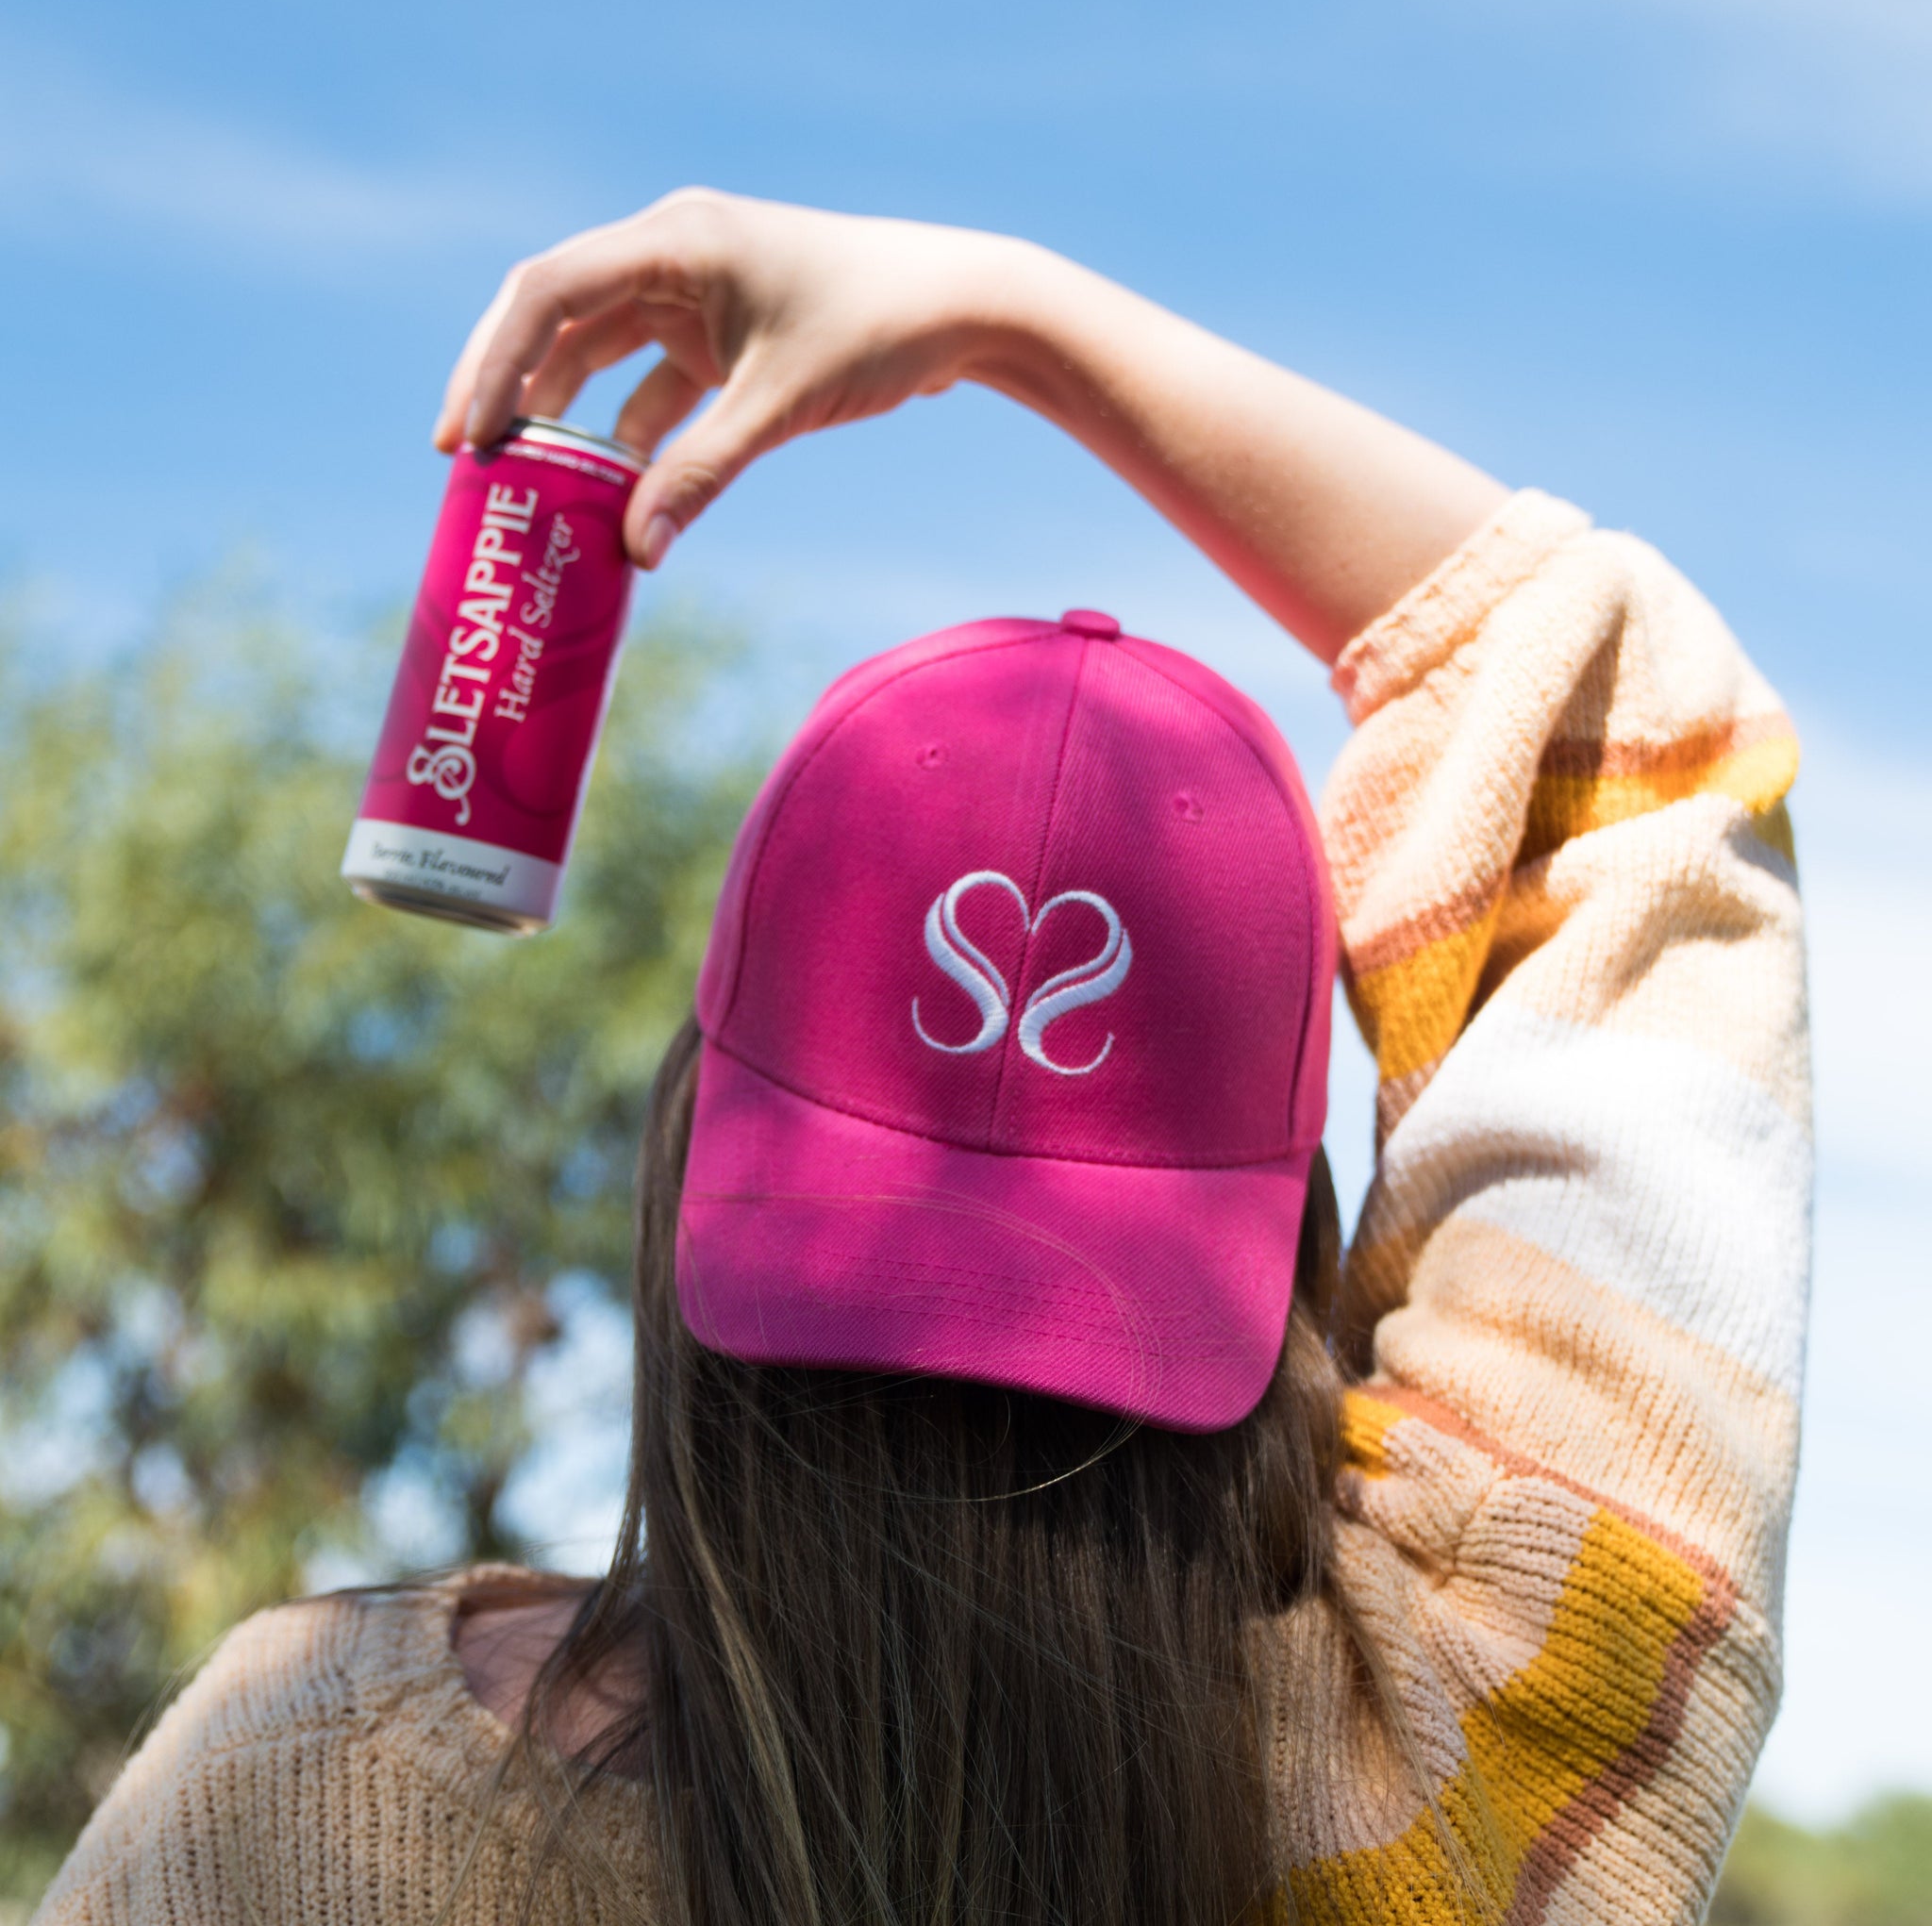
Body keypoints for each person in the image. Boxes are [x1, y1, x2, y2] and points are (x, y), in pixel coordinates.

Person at [35, 191, 1809, 1926]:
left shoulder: (294, 1785)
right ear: (1283, 1242)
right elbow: (1625, 753)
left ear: (688, 1140)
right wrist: (1011, 310)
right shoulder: (1479, 1744)